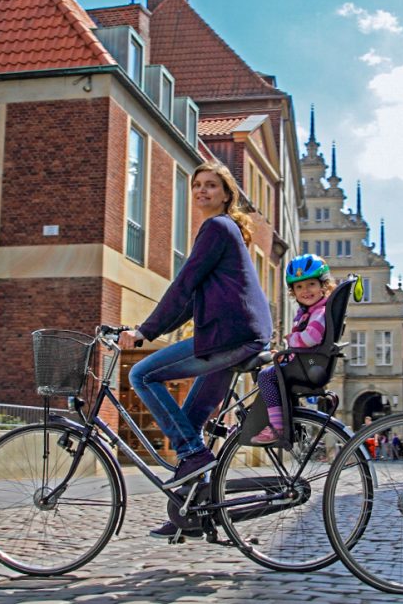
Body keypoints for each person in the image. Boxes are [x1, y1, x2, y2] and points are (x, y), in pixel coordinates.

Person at [118, 162, 271, 538]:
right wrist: (150, 331)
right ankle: (192, 512)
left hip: (231, 336)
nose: (202, 191)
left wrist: (143, 331)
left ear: (226, 194)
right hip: (239, 334)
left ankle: (196, 457)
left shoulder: (217, 227)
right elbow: (189, 301)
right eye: (197, 185)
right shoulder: (224, 231)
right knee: (191, 421)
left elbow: (183, 285)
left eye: (211, 185)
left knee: (142, 374)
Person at [249, 253, 335, 445]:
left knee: (266, 377)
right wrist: (285, 354)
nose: (305, 290)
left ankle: (277, 427)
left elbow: (311, 338)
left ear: (323, 285)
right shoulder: (311, 311)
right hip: (307, 363)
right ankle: (289, 423)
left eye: (311, 284)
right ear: (293, 292)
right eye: (299, 286)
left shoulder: (319, 312)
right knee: (273, 376)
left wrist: (291, 339)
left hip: (309, 366)